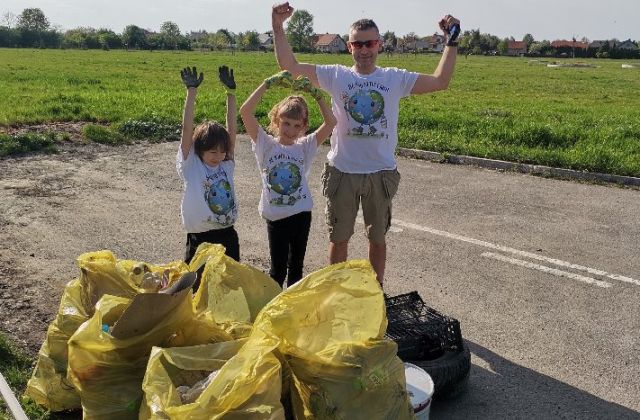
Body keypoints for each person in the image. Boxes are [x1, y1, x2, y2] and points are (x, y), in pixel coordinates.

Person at [271, 3, 460, 286]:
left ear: (379, 45)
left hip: (380, 173)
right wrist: (277, 27)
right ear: (349, 47)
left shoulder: (394, 78)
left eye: (370, 43)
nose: (364, 49)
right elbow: (291, 67)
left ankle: (374, 293)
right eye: (357, 44)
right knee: (339, 238)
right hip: (342, 172)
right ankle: (335, 292)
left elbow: (439, 81)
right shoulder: (337, 75)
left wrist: (452, 41)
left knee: (378, 239)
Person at [239, 71, 336, 287]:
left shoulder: (305, 146)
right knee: (277, 269)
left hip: (301, 215)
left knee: (296, 269)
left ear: (304, 126)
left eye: (296, 125)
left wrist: (317, 95)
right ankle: (272, 310)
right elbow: (245, 112)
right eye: (286, 123)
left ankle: (292, 312)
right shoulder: (266, 144)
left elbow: (331, 122)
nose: (291, 130)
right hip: (276, 218)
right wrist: (267, 83)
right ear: (276, 120)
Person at [177, 65, 240, 270]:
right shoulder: (191, 164)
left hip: (227, 234)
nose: (219, 157)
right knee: (196, 286)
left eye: (222, 152)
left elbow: (232, 129)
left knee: (228, 282)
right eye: (213, 152)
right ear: (200, 150)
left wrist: (230, 93)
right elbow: (187, 128)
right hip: (200, 238)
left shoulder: (226, 163)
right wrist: (192, 91)